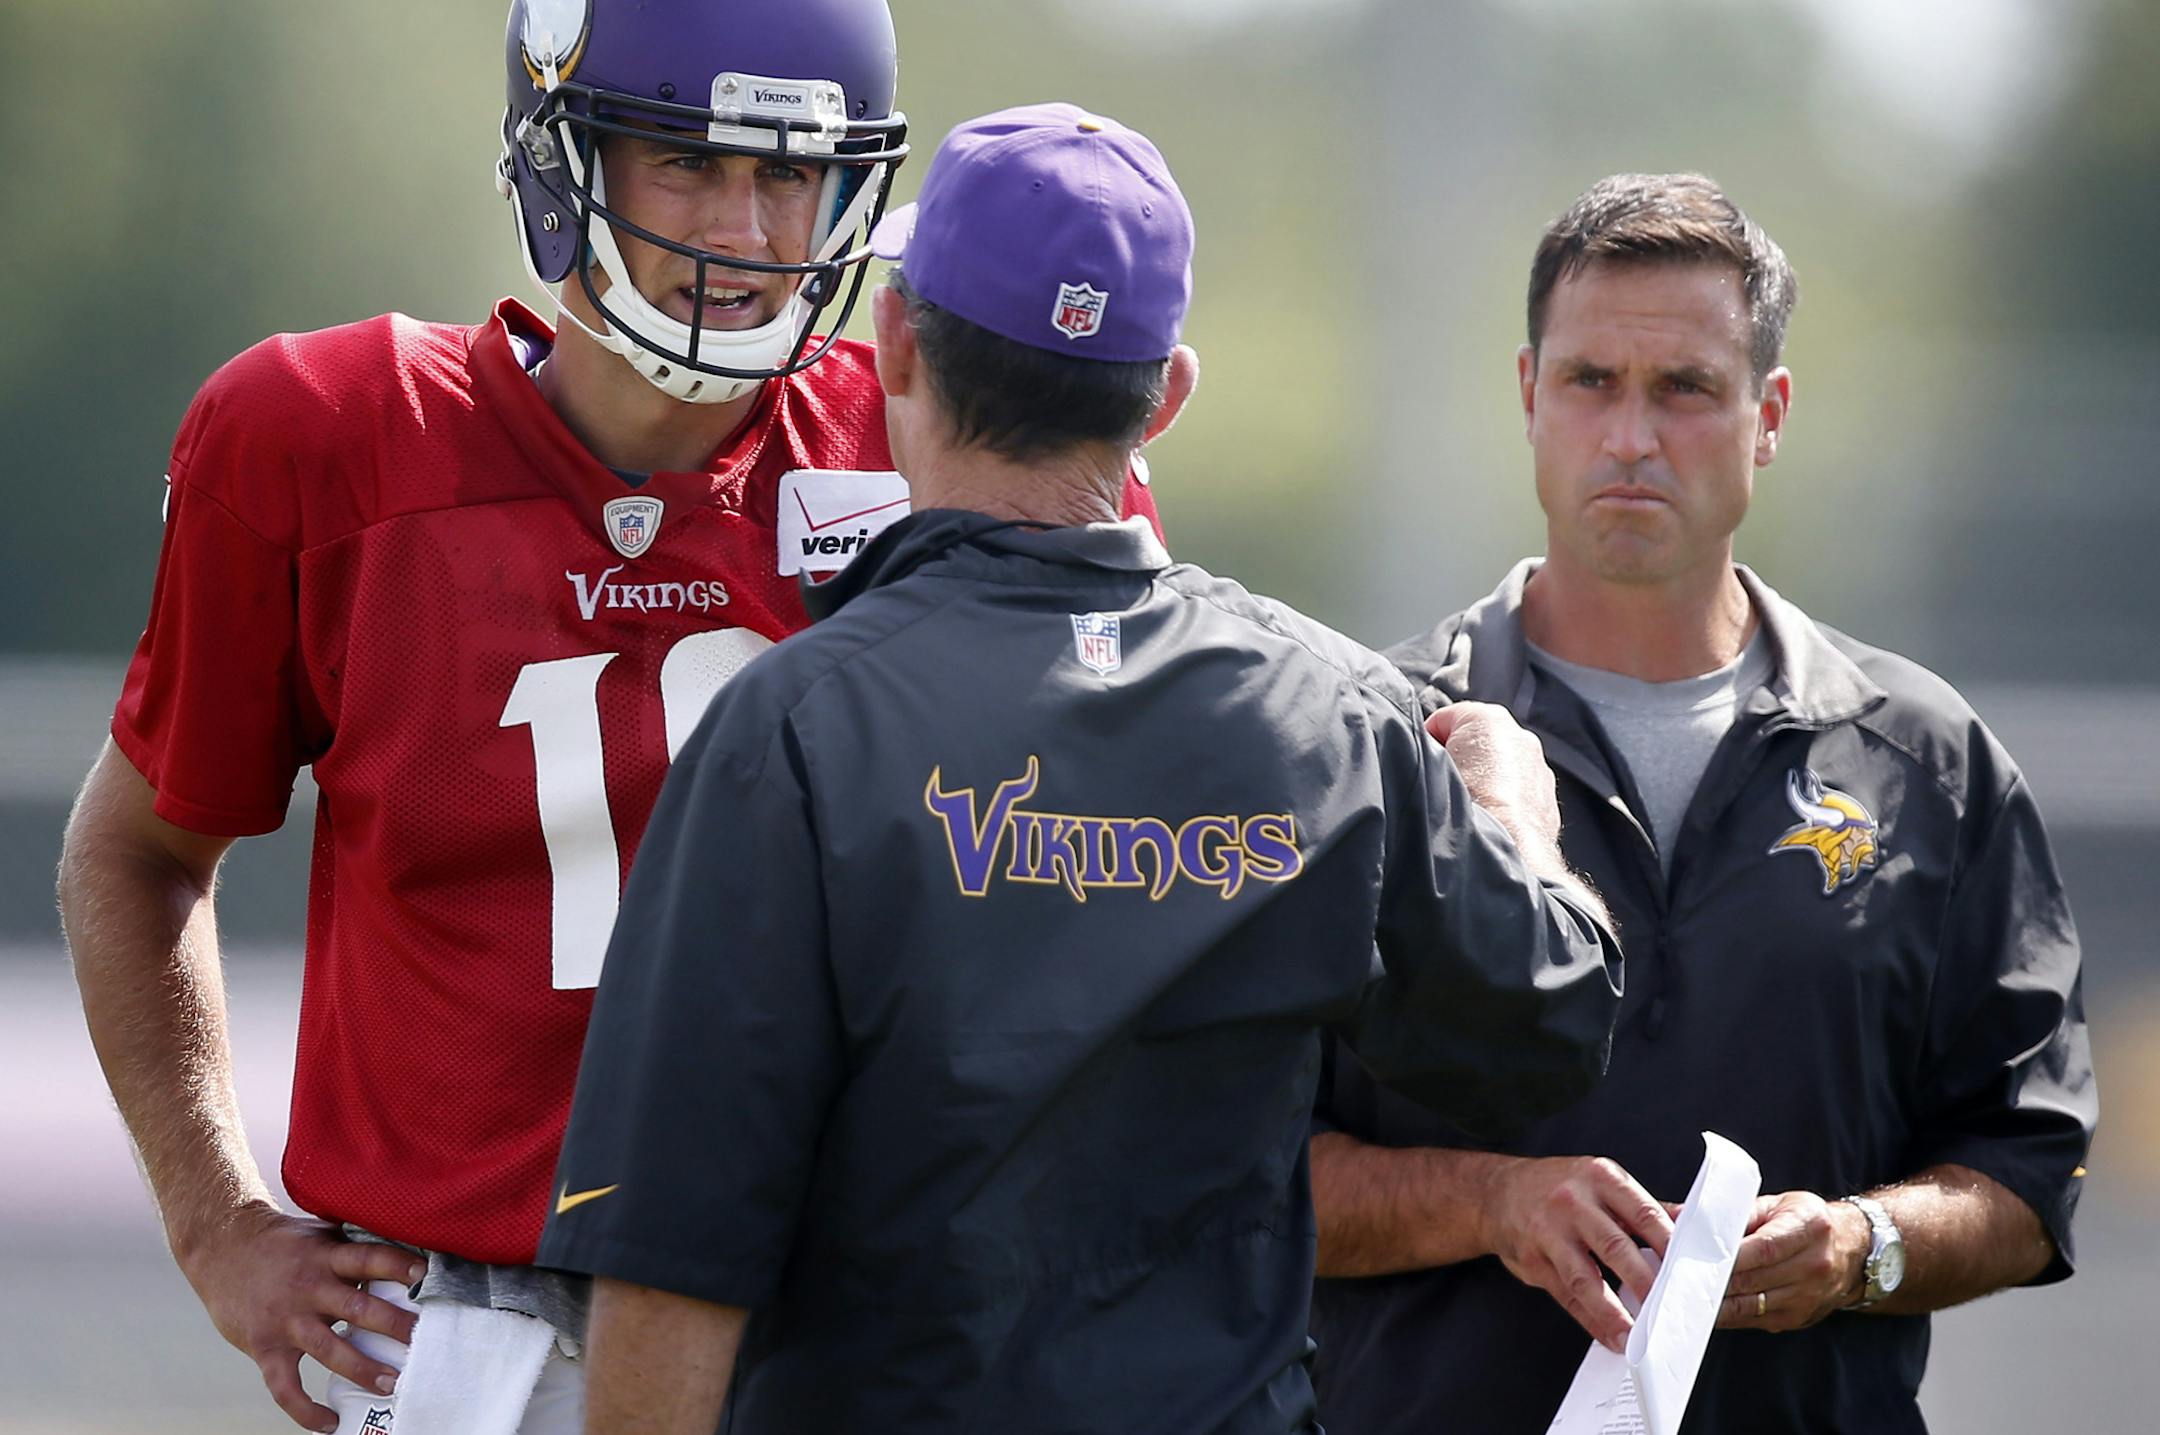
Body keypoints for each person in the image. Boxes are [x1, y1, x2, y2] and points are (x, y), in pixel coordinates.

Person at [56, 5, 1152, 1434]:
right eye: (687, 162)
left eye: (791, 172)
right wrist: (219, 1223)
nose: (751, 229)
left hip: (860, 1328)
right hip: (469, 1330)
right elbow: (134, 854)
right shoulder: (323, 440)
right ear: (564, 161)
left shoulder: (942, 443)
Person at [535, 102, 1624, 1435]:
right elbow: (1550, 1015)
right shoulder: (1326, 712)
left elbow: (669, 1263)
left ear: (896, 347)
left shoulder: (796, 729)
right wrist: (1512, 801)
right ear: (1165, 393)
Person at [1307, 172, 2097, 1434]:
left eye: (1683, 388)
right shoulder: (1357, 741)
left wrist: (1861, 1243)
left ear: (1766, 412)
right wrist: (1494, 1205)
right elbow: (1237, 1169)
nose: (1631, 434)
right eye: (1590, 383)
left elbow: (2026, 1169)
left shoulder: (1925, 761)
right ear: (1528, 395)